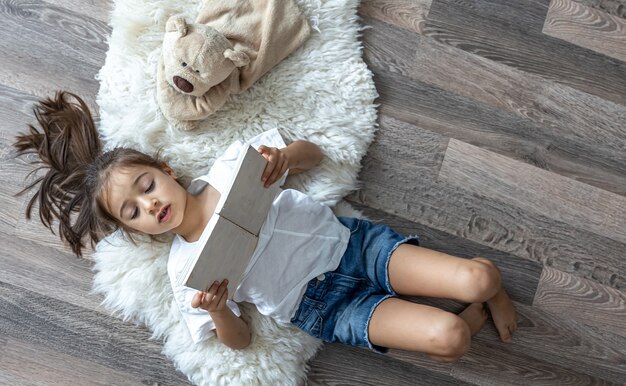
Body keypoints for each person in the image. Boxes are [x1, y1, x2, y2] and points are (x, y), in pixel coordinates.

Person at [15, 91, 517, 362]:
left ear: (166, 172)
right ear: (139, 232)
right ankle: (467, 318)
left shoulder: (233, 166)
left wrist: (286, 157)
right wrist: (217, 312)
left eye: (146, 187)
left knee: (480, 280)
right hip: (325, 307)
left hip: (352, 249)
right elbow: (239, 343)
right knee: (451, 339)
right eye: (133, 212)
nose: (149, 206)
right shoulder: (183, 271)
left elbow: (315, 154)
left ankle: (486, 287)